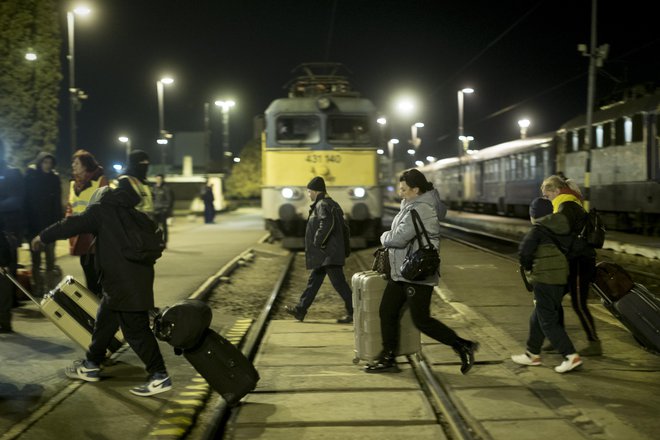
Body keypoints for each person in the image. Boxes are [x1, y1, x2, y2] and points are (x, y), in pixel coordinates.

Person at [31, 176, 172, 397]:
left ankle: (159, 375)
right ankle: (91, 364)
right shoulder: (134, 215)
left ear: (99, 200)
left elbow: (71, 224)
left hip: (122, 284)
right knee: (105, 322)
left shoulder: (101, 211)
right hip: (131, 281)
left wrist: (43, 236)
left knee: (136, 331)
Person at [365, 169, 478, 374]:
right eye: (400, 189)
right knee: (387, 311)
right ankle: (388, 357)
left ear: (416, 189)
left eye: (404, 189)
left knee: (422, 320)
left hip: (416, 272)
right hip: (402, 272)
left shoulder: (422, 208)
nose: (400, 193)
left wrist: (383, 236)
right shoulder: (410, 205)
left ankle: (462, 345)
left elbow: (398, 239)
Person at [512, 197, 583, 373]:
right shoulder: (562, 227)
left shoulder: (538, 230)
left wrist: (530, 269)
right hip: (560, 279)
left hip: (544, 279)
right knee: (538, 316)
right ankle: (532, 354)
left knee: (547, 321)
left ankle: (570, 356)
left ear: (534, 215)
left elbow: (524, 253)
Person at [541, 175, 601, 356]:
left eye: (547, 195)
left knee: (579, 303)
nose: (547, 198)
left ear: (556, 191)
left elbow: (562, 237)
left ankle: (595, 344)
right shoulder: (566, 204)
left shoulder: (566, 206)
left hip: (579, 262)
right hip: (573, 260)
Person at [284, 176, 354, 324]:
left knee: (340, 285)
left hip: (328, 253)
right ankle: (300, 310)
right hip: (327, 253)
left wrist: (318, 242)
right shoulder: (331, 204)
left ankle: (355, 312)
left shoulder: (322, 204)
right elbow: (344, 228)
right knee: (314, 282)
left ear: (316, 191)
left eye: (309, 191)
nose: (308, 194)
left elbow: (326, 224)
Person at [67, 150, 109, 297]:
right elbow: (70, 207)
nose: (73, 165)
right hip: (80, 235)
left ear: (85, 165)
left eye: (76, 163)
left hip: (96, 236)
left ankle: (103, 308)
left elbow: (107, 207)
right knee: (88, 272)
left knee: (99, 275)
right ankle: (95, 309)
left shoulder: (100, 181)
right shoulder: (73, 184)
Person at [25, 152, 63, 295]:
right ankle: (38, 288)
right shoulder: (31, 178)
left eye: (49, 162)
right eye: (45, 162)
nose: (47, 165)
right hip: (34, 226)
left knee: (50, 260)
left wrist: (59, 225)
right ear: (40, 163)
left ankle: (50, 288)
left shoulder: (54, 179)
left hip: (50, 226)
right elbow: (26, 202)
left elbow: (57, 204)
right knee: (35, 260)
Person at [0, 141, 24, 333]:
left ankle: (4, 320)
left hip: (7, 232)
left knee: (4, 275)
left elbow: (17, 200)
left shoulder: (11, 173)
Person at [152, 174, 174, 247]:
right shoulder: (154, 188)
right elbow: (152, 198)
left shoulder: (166, 188)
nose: (158, 180)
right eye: (157, 179)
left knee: (164, 227)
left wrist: (166, 209)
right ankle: (156, 241)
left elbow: (169, 200)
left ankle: (164, 242)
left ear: (162, 179)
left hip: (162, 210)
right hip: (155, 210)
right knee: (155, 227)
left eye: (160, 179)